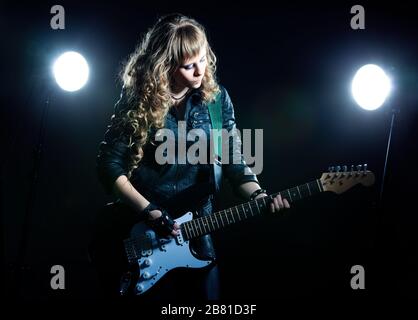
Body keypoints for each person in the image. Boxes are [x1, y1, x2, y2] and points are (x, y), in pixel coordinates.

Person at [94, 13, 290, 300]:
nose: (200, 71)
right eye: (189, 65)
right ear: (166, 67)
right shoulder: (137, 101)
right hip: (142, 230)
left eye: (201, 59)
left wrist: (258, 196)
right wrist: (150, 212)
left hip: (198, 233)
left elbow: (234, 158)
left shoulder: (216, 100)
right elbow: (108, 165)